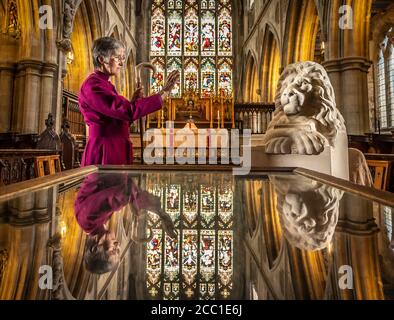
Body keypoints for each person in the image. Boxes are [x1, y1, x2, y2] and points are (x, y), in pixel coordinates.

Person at [78, 37, 179, 166]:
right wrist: (163, 93)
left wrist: (133, 101)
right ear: (102, 59)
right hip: (104, 151)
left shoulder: (104, 84)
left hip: (114, 148)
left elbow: (117, 119)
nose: (121, 63)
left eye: (123, 58)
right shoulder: (93, 85)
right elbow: (127, 112)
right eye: (117, 57)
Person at [74, 173, 177, 274]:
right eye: (118, 250)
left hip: (106, 160)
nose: (118, 245)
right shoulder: (97, 224)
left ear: (96, 248)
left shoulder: (88, 219)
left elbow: (123, 191)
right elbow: (126, 191)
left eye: (113, 251)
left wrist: (159, 213)